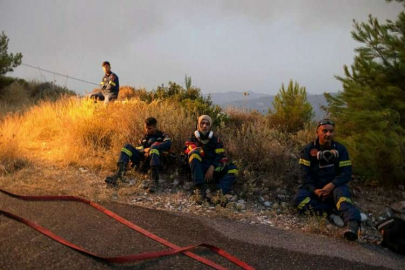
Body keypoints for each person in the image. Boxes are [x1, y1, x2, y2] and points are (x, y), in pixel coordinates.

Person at [292, 119, 361, 241]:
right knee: (299, 200)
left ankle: (352, 225)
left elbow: (346, 173)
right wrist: (315, 190)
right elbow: (304, 175)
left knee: (343, 197)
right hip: (315, 188)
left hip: (334, 187)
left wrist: (332, 185)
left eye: (331, 131)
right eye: (324, 131)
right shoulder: (308, 150)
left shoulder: (341, 149)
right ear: (317, 132)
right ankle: (330, 211)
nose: (328, 134)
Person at [105, 117, 171, 192]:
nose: (147, 130)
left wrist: (152, 148)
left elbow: (168, 143)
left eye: (149, 128)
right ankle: (119, 174)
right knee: (127, 147)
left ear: (155, 127)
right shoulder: (144, 138)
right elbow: (138, 148)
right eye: (146, 128)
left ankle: (155, 181)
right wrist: (145, 150)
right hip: (144, 161)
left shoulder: (162, 135)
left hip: (156, 160)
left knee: (154, 149)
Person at [184, 115, 238, 204]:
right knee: (194, 154)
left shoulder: (216, 140)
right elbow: (186, 153)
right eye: (202, 123)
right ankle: (199, 191)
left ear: (210, 126)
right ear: (198, 125)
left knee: (233, 169)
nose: (205, 126)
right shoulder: (192, 138)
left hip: (212, 168)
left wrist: (212, 167)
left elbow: (220, 155)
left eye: (207, 124)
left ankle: (218, 193)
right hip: (199, 168)